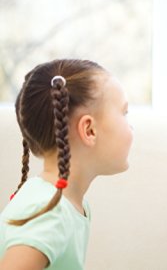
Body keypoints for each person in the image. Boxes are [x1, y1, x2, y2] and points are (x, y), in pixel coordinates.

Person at [0, 59, 133, 270]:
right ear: (89, 130)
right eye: (124, 113)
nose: (130, 125)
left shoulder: (66, 203)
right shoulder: (49, 215)